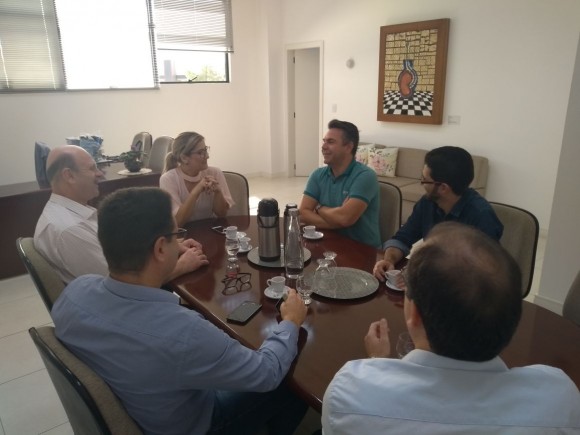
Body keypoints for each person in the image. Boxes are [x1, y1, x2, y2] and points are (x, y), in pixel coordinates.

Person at [51, 187, 308, 435]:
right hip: (200, 423)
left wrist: (170, 256)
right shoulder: (184, 332)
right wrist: (290, 322)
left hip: (144, 407)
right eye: (176, 236)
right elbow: (266, 373)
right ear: (160, 249)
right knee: (291, 381)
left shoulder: (74, 293)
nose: (180, 242)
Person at [323, 222, 580, 434]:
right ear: (514, 317)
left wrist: (377, 364)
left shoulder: (351, 392)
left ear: (414, 314)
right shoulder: (560, 398)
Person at [34, 145, 208, 284]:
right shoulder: (70, 230)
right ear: (69, 176)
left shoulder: (68, 213)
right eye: (92, 168)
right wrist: (181, 266)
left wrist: (170, 247)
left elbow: (121, 251)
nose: (100, 174)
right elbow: (122, 286)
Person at [373, 145, 503, 280]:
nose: (421, 183)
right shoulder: (427, 203)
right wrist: (389, 260)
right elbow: (402, 238)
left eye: (424, 179)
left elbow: (485, 274)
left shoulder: (481, 216)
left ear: (443, 188)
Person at [299, 119, 380, 248]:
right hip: (328, 245)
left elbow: (345, 218)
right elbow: (303, 213)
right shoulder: (317, 175)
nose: (323, 146)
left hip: (362, 250)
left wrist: (319, 208)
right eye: (324, 141)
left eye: (330, 142)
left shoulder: (365, 176)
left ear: (348, 147)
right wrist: (337, 220)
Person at [160, 132, 234, 226]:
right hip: (184, 233)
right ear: (184, 158)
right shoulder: (168, 179)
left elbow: (222, 214)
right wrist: (196, 191)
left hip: (210, 230)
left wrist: (218, 192)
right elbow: (178, 222)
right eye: (200, 153)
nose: (207, 156)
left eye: (206, 150)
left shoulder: (215, 173)